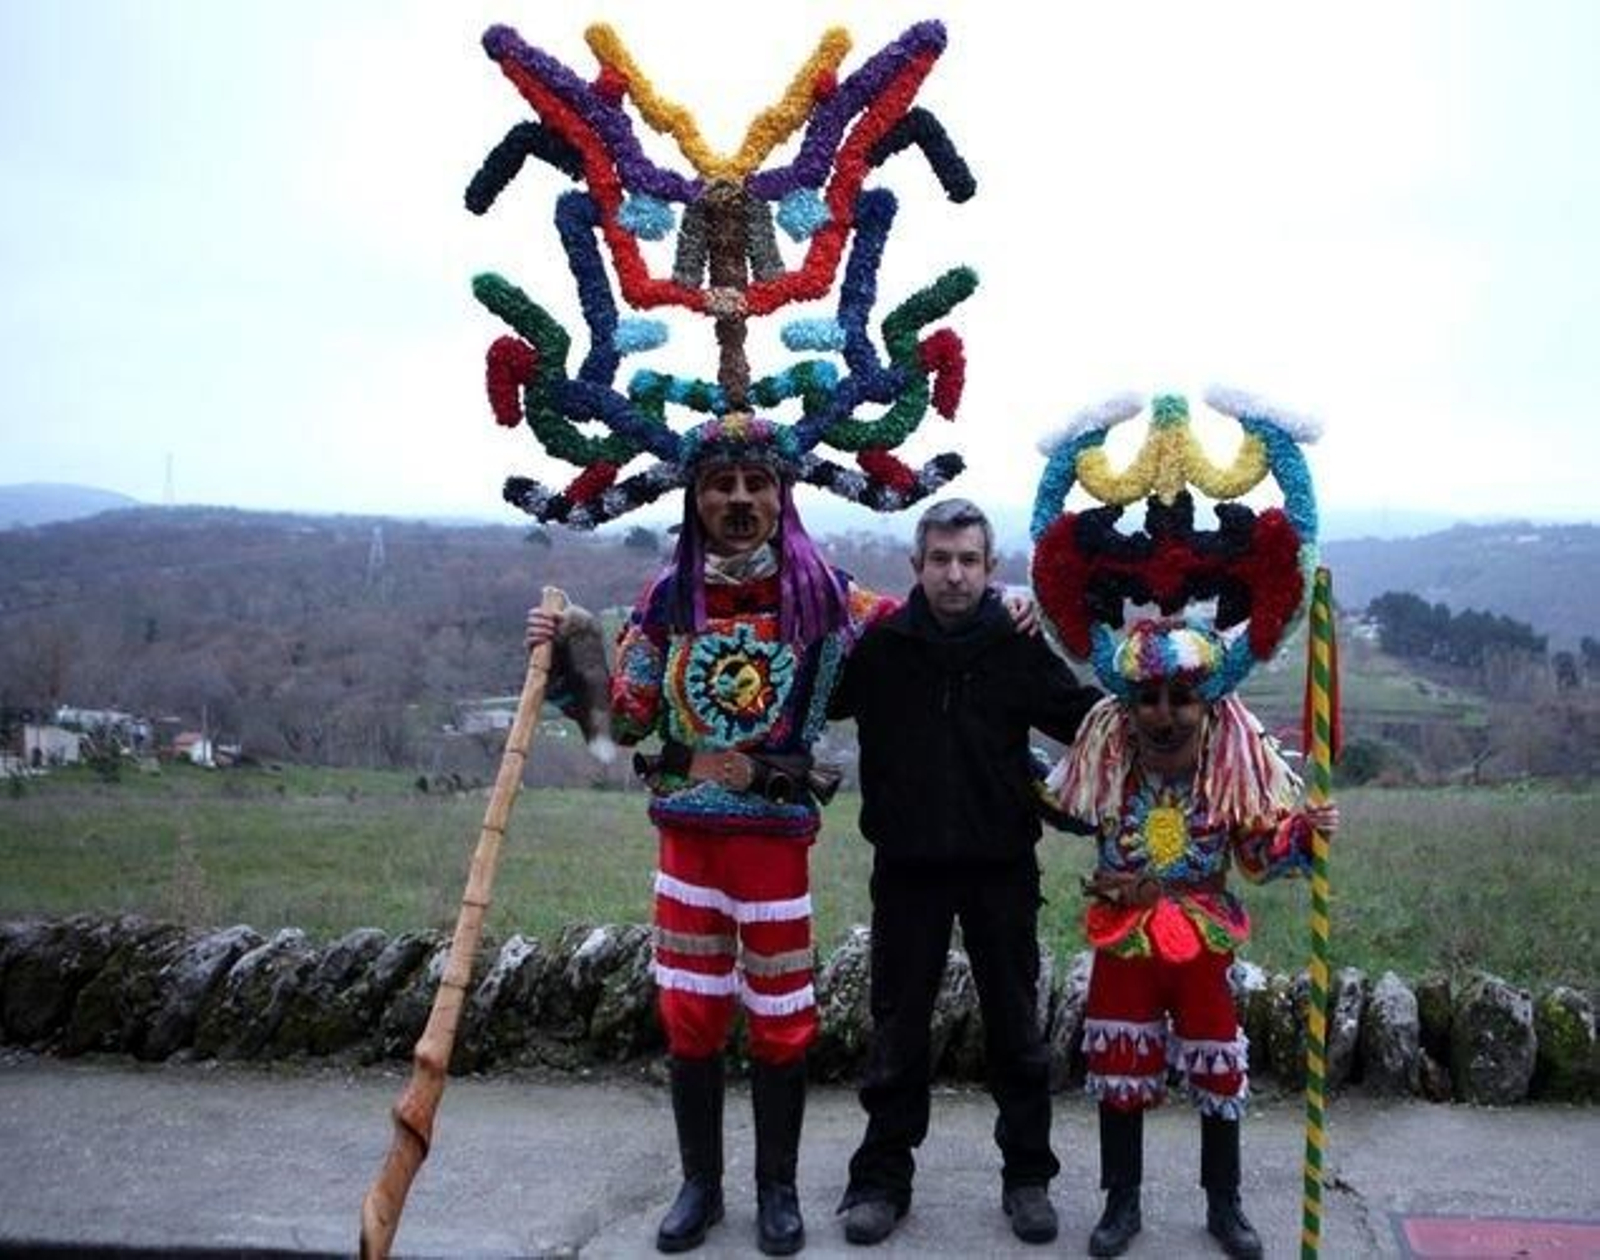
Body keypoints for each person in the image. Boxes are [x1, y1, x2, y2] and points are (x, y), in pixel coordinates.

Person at [527, 417, 891, 1255]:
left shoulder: (828, 596)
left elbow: (922, 633)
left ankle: (778, 1191)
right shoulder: (665, 599)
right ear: (695, 498)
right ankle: (701, 1185)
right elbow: (627, 714)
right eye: (720, 485)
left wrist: (1001, 609)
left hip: (774, 843)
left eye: (754, 484)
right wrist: (569, 651)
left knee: (781, 1014)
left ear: (780, 495)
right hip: (687, 840)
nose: (737, 499)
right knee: (691, 1012)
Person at [826, 497, 1102, 1247]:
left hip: (1001, 868)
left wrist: (1176, 694)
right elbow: (810, 693)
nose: (954, 575)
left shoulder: (1015, 645)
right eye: (941, 560)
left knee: (1017, 1030)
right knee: (897, 1031)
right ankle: (881, 1180)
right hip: (907, 868)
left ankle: (1027, 1180)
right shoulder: (881, 649)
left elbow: (1087, 718)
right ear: (916, 568)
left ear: (990, 569)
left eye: (969, 561)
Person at [1048, 617, 1340, 1259]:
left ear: (1210, 704)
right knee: (1119, 1062)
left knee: (1217, 1065)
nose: (1163, 715)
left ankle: (1223, 1203)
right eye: (1147, 698)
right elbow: (1054, 798)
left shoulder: (1231, 772)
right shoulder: (1106, 766)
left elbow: (1259, 857)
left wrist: (1303, 832)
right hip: (1124, 937)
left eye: (1181, 697)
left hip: (1203, 939)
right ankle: (1120, 1202)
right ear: (1125, 705)